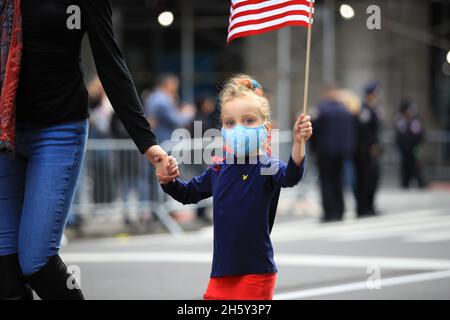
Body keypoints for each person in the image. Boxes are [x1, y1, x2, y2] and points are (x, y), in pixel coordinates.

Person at [0, 0, 176, 300]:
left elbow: (111, 64)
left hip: (57, 130)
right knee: (4, 273)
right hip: (6, 133)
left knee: (37, 263)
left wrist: (147, 143)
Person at [159, 75, 313, 300]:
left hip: (256, 271)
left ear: (265, 128)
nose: (238, 128)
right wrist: (168, 180)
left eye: (248, 120)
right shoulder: (219, 169)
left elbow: (290, 176)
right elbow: (188, 193)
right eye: (230, 123)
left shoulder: (266, 166)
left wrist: (299, 142)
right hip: (221, 272)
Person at [311, 86, 356, 222]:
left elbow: (314, 129)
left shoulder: (322, 110)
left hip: (325, 151)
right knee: (338, 180)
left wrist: (313, 148)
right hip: (341, 152)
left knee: (326, 181)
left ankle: (330, 212)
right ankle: (339, 210)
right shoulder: (345, 110)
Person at [354, 82, 383, 218]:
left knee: (373, 179)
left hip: (372, 149)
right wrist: (370, 145)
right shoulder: (364, 109)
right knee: (364, 179)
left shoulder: (374, 109)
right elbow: (364, 132)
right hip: (364, 151)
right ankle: (363, 207)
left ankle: (370, 206)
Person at [145, 73, 195, 143]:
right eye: (175, 85)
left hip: (159, 140)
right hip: (163, 141)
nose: (176, 88)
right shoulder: (161, 100)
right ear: (168, 84)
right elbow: (176, 120)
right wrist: (188, 113)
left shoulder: (154, 97)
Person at [395, 100, 426, 189]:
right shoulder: (400, 121)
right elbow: (399, 136)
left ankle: (421, 183)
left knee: (416, 166)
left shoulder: (415, 121)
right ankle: (405, 183)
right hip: (404, 150)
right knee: (405, 168)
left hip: (414, 149)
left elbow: (419, 134)